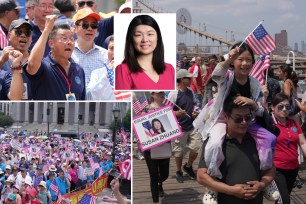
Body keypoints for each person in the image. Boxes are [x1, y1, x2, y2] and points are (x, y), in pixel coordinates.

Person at [197, 97, 276, 204]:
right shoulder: (215, 142)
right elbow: (202, 176)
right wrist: (231, 191)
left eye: (248, 118)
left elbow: (270, 168)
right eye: (238, 119)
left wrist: (262, 184)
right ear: (226, 117)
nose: (243, 122)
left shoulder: (258, 140)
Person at [26, 15, 86, 100]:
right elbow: (31, 65)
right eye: (64, 38)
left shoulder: (79, 69)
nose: (69, 42)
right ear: (51, 43)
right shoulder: (43, 66)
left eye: (72, 39)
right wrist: (46, 30)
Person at [115, 14, 175, 90]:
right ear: (131, 39)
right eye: (138, 35)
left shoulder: (170, 69)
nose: (145, 40)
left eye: (150, 34)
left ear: (158, 37)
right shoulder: (123, 70)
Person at [271, 92, 306, 204]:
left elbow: (303, 143)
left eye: (287, 106)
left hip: (293, 168)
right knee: (285, 200)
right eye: (280, 106)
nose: (284, 109)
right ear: (273, 107)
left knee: (282, 199)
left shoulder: (294, 124)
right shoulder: (270, 124)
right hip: (277, 168)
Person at [167, 69, 202, 182]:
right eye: (188, 78)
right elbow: (166, 112)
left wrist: (195, 111)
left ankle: (188, 166)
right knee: (178, 151)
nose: (190, 79)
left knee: (196, 147)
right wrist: (177, 113)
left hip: (192, 125)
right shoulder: (173, 94)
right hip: (179, 127)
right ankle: (178, 170)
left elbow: (195, 104)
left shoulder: (190, 91)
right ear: (182, 80)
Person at [141, 91, 170, 203]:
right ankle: (155, 200)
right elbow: (141, 126)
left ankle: (159, 183)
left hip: (164, 146)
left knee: (165, 174)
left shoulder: (168, 107)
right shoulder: (146, 109)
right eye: (158, 93)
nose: (162, 94)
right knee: (153, 175)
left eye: (162, 92)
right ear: (152, 94)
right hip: (150, 148)